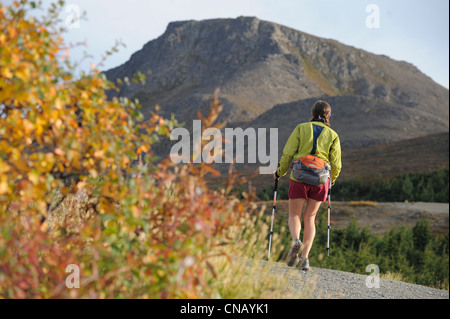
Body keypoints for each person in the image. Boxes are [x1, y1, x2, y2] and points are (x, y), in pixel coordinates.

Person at [273, 100, 341, 270]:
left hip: (299, 177)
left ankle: (296, 240)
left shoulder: (301, 128)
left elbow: (288, 153)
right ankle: (304, 259)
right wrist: (332, 180)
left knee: (294, 215)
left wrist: (280, 172)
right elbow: (336, 164)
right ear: (328, 116)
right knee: (310, 218)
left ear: (312, 113)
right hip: (320, 180)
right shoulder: (333, 135)